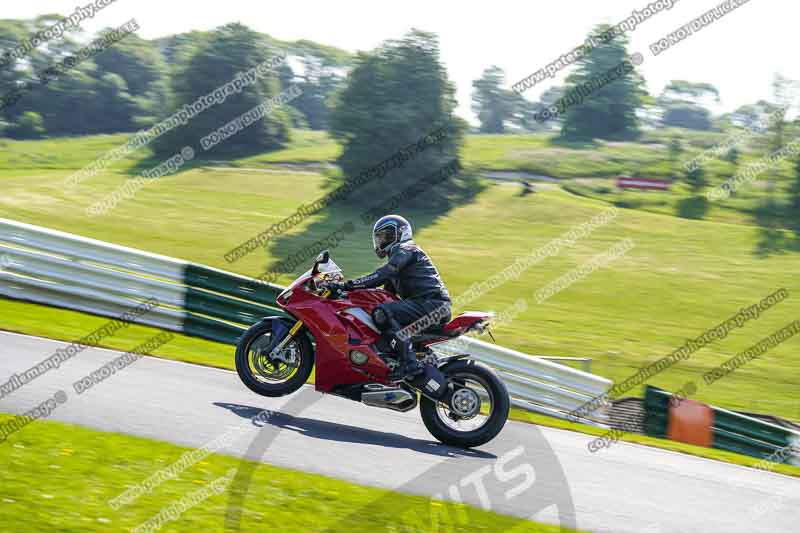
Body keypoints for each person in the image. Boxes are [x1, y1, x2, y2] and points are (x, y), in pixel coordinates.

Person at [328, 215, 451, 379]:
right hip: (428, 306)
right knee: (382, 312)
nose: (382, 241)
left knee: (382, 313)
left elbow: (383, 274)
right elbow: (386, 294)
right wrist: (350, 295)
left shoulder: (406, 249)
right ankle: (410, 358)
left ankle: (410, 363)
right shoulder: (399, 260)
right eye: (379, 237)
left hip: (432, 305)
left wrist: (348, 285)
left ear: (399, 233)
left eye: (386, 236)